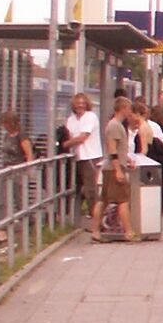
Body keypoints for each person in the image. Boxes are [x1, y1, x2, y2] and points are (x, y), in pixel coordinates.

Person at [99, 93, 143, 244]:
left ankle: (95, 231)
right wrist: (118, 170)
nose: (130, 112)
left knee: (104, 200)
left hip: (112, 167)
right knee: (123, 200)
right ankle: (129, 232)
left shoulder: (116, 126)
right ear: (123, 108)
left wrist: (127, 159)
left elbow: (118, 149)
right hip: (113, 168)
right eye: (129, 108)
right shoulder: (115, 126)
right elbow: (112, 150)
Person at [61, 91, 103, 227]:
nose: (80, 106)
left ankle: (98, 222)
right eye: (78, 103)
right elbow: (68, 135)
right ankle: (74, 219)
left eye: (83, 103)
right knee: (77, 189)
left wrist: (65, 144)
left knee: (91, 190)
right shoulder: (71, 120)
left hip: (90, 156)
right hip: (77, 158)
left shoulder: (90, 117)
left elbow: (83, 137)